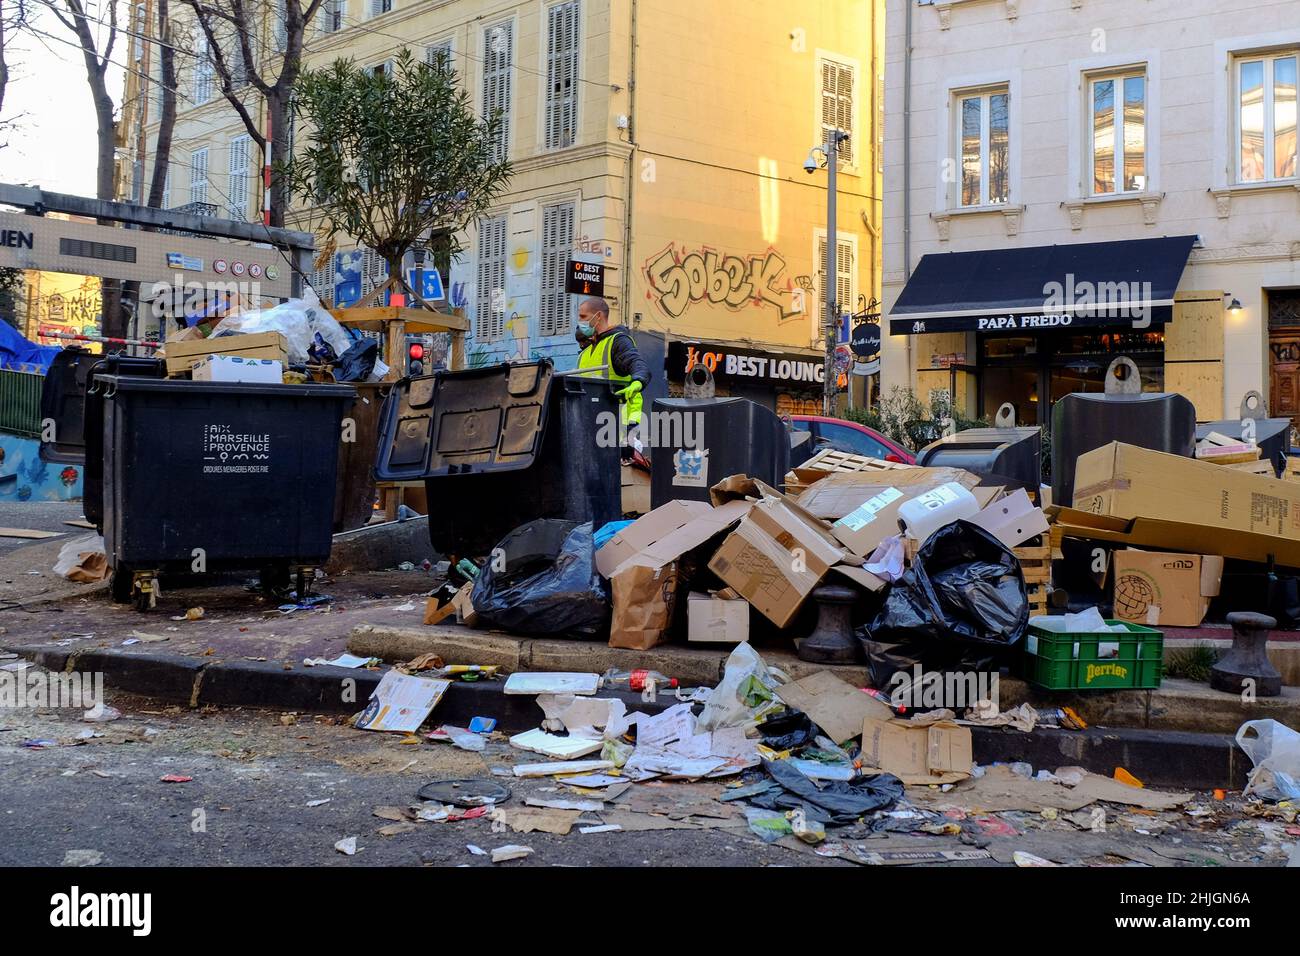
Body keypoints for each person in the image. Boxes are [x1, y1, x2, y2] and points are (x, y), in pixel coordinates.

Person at [575, 297, 650, 458]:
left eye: (583, 317)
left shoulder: (617, 342)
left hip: (618, 438)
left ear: (598, 316)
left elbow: (637, 363)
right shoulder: (584, 354)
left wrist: (637, 382)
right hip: (590, 437)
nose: (579, 321)